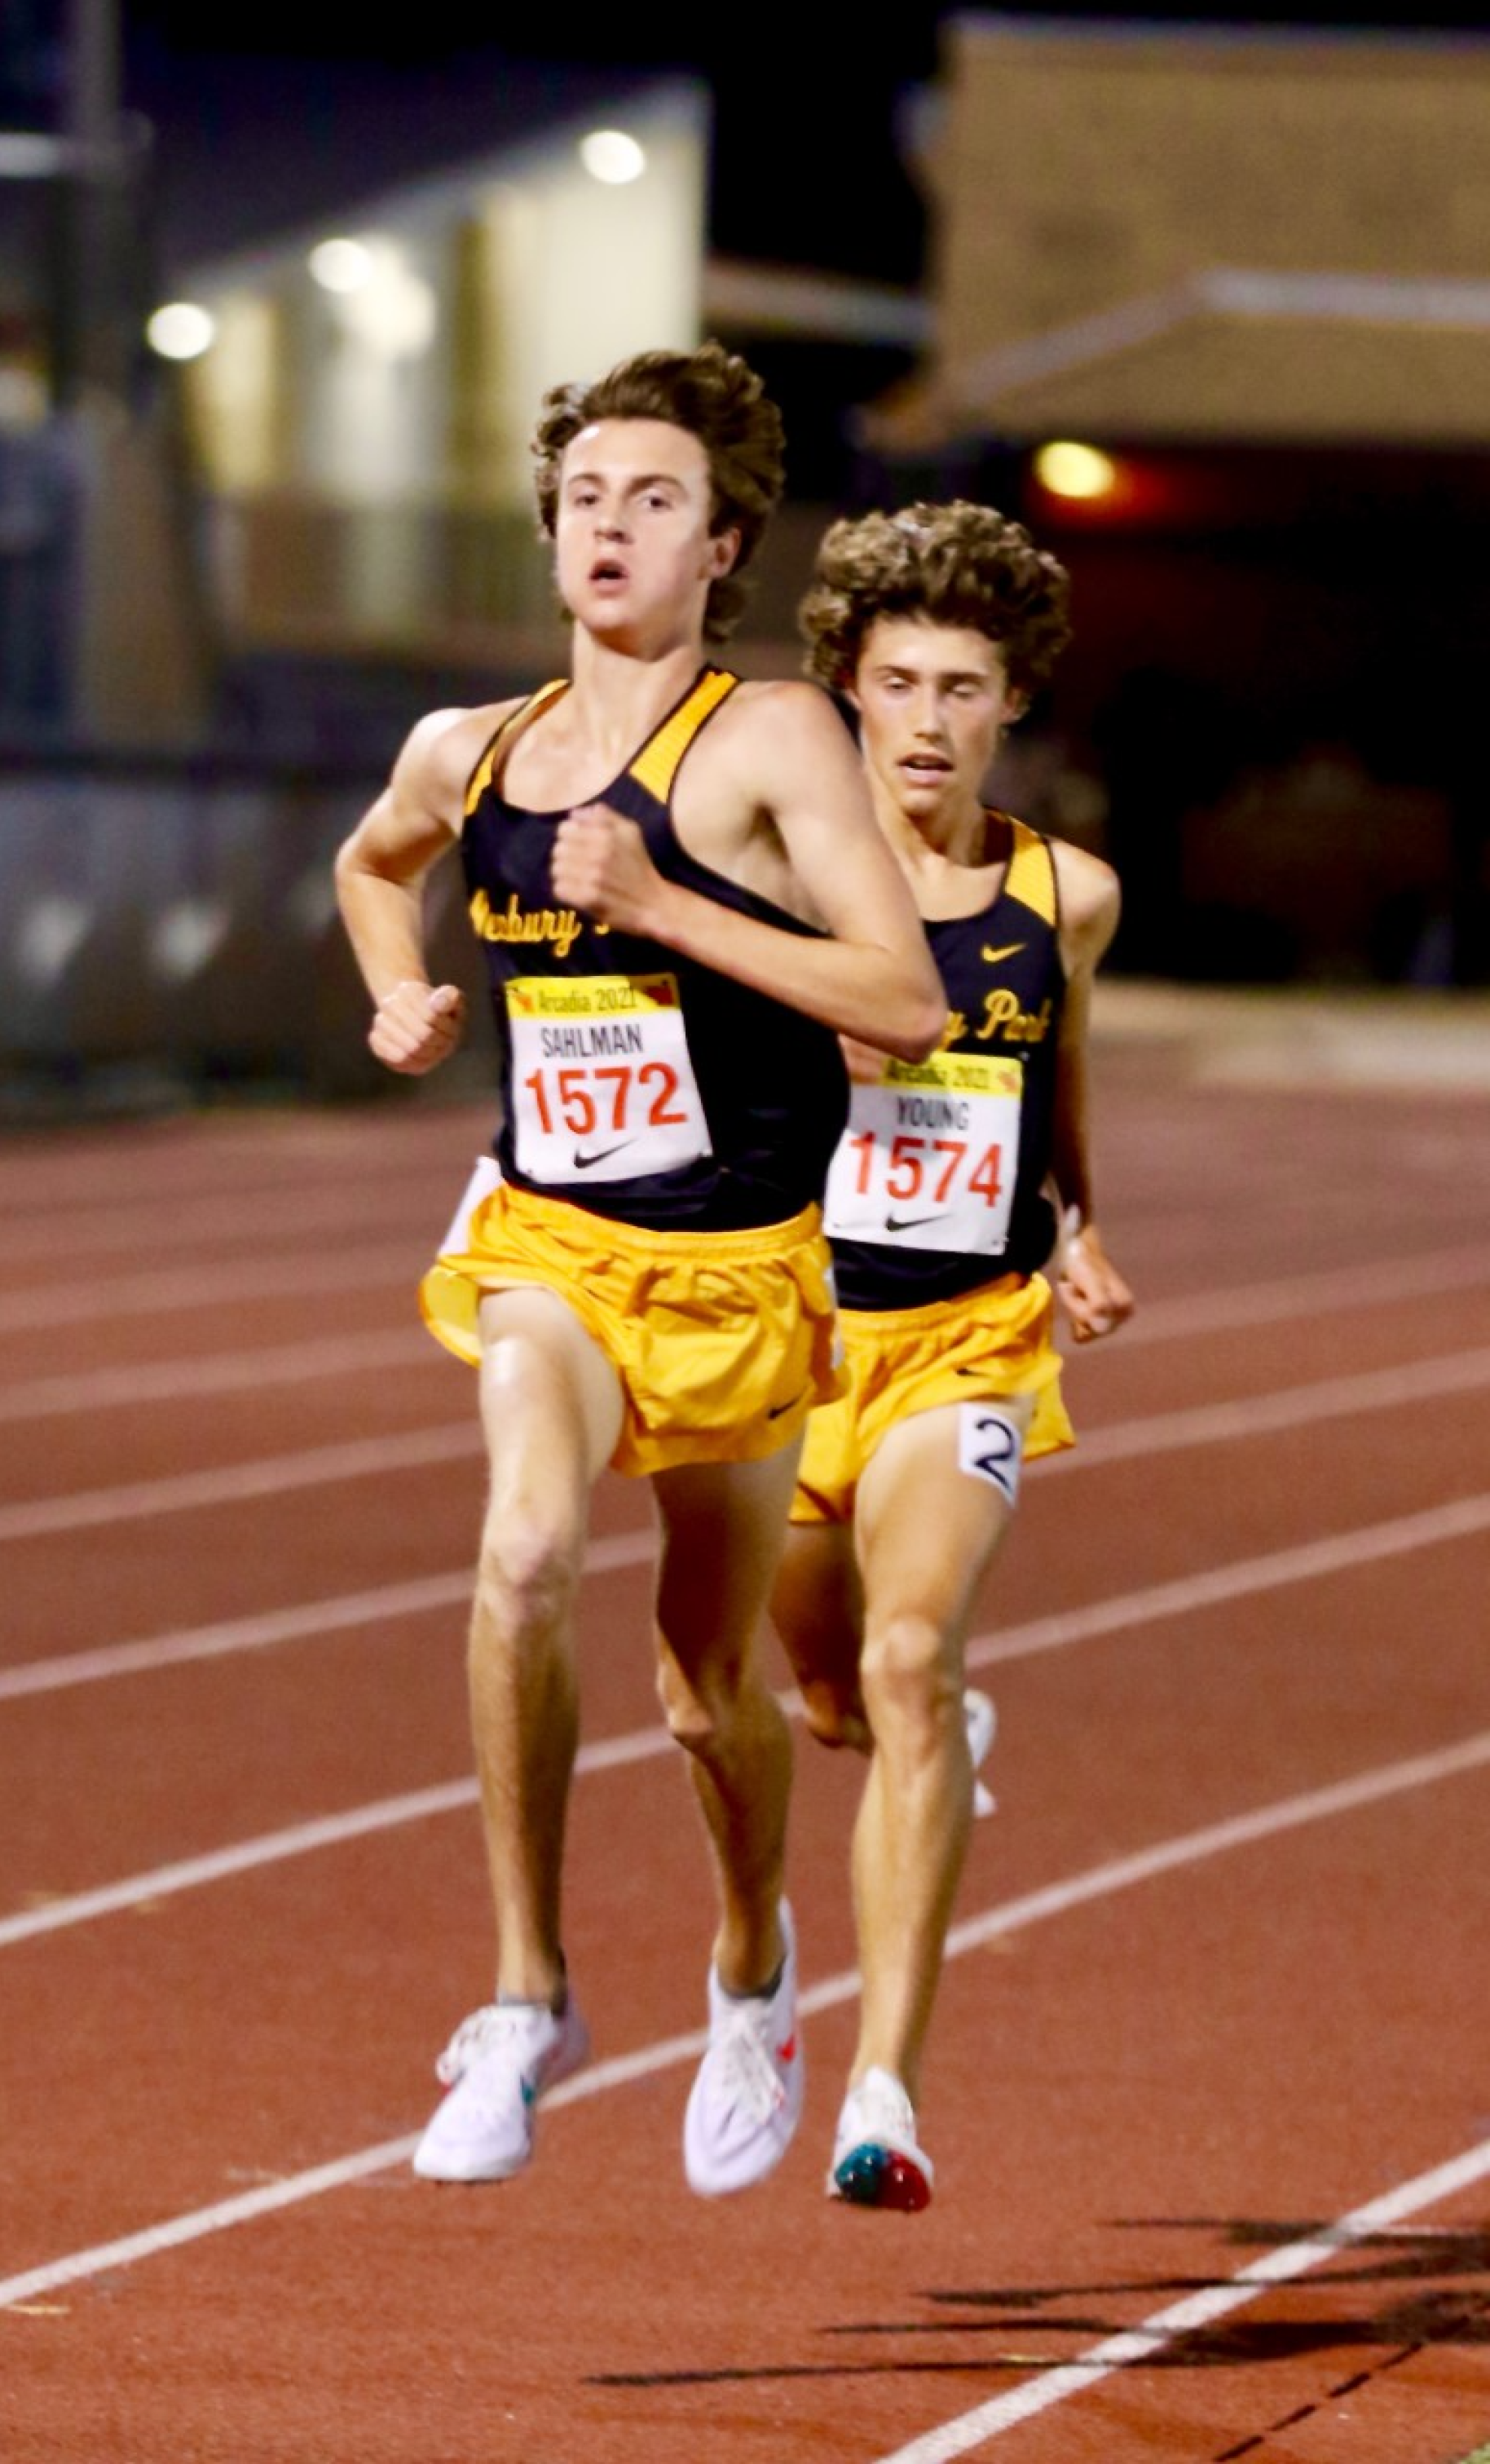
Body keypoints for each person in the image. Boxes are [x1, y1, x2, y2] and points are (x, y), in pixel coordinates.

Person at [333, 344, 945, 2194]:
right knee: (522, 1545)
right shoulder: (474, 749)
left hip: (743, 1260)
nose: (610, 524)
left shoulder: (766, 742)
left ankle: (751, 1963)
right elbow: (376, 864)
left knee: (704, 1686)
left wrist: (666, 903)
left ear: (724, 543)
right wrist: (400, 991)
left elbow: (907, 1000)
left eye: (653, 498)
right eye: (585, 496)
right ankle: (525, 1996)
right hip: (544, 1235)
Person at [770, 500, 1135, 2213]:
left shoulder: (1063, 896)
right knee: (809, 1690)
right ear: (843, 685)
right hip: (777, 1347)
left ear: (1010, 707)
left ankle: (884, 2088)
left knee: (913, 1655)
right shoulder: (756, 878)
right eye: (897, 680)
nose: (924, 718)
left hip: (962, 1349)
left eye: (961, 687)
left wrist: (1071, 1230)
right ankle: (870, 1726)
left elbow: (1052, 1097)